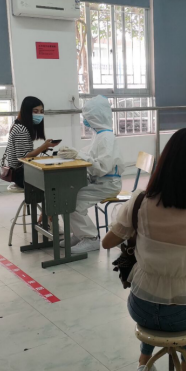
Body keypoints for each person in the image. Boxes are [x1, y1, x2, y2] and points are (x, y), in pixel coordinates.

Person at [102, 128, 186, 371]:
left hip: (141, 306)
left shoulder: (139, 202)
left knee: (155, 300)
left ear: (165, 162)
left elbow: (107, 242)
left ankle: (144, 365)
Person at [58, 95, 125, 254]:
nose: (85, 120)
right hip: (100, 182)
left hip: (108, 185)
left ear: (96, 117)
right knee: (65, 197)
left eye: (87, 117)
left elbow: (102, 167)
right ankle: (79, 234)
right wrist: (75, 153)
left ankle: (91, 238)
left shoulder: (107, 138)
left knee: (73, 203)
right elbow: (90, 155)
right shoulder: (99, 135)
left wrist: (79, 155)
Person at [4, 96, 55, 189]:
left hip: (22, 173)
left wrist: (43, 147)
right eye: (35, 111)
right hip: (21, 176)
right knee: (56, 178)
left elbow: (24, 152)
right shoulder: (21, 129)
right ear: (27, 111)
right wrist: (43, 147)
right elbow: (24, 157)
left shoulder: (19, 126)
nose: (39, 115)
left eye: (41, 111)